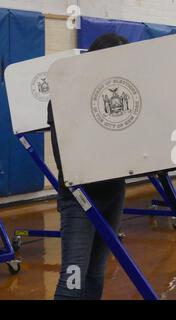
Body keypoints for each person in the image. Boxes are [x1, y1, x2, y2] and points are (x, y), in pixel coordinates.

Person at [48, 33, 129, 299]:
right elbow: (66, 158)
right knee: (72, 281)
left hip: (114, 191)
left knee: (95, 273)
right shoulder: (65, 95)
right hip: (80, 195)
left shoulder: (122, 96)